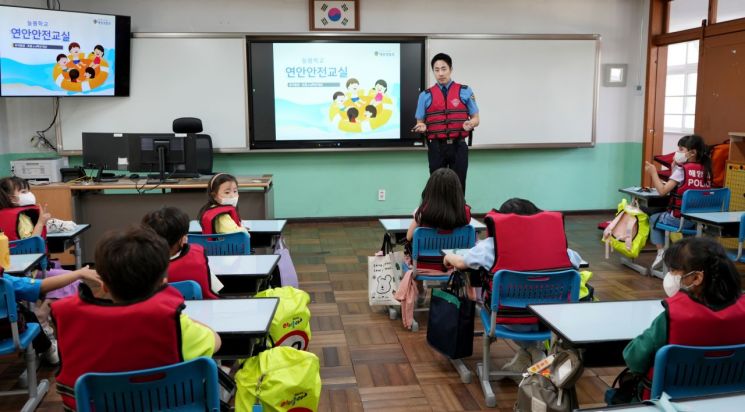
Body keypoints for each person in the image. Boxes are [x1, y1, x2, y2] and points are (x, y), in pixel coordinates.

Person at [51, 227, 222, 410]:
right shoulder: (171, 322)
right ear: (163, 282)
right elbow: (216, 341)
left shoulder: (68, 320)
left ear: (105, 286)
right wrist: (178, 315)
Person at [442, 198, 583, 378]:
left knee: (484, 302)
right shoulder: (558, 248)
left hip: (508, 318)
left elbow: (461, 262)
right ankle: (533, 354)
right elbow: (576, 263)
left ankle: (533, 354)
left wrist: (448, 259)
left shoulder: (491, 247)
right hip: (550, 319)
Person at [622, 237, 745, 401]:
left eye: (674, 270)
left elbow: (634, 359)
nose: (670, 275)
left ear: (697, 278)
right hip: (733, 399)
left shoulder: (673, 316)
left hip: (669, 401)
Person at [413, 53, 479, 194]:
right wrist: (422, 126)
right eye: (436, 70)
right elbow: (420, 122)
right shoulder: (424, 95)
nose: (440, 73)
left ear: (451, 69)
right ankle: (437, 215)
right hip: (437, 146)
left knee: (459, 185)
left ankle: (458, 215)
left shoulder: (465, 91)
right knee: (436, 187)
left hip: (458, 145)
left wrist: (471, 123)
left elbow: (476, 118)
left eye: (444, 69)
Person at [644, 135, 712, 270]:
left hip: (679, 219)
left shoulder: (682, 170)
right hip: (697, 219)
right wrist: (674, 168)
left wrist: (653, 173)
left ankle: (661, 252)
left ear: (692, 152)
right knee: (687, 234)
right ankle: (689, 260)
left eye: (681, 149)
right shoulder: (706, 171)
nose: (677, 152)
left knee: (653, 218)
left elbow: (662, 191)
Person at [142, 206, 222, 299]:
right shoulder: (197, 257)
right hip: (199, 311)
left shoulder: (139, 264)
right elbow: (217, 290)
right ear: (183, 239)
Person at [406, 168, 471, 244]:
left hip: (426, 255)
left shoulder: (424, 211)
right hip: (454, 254)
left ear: (430, 189)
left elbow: (409, 237)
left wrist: (416, 216)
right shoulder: (464, 211)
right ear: (457, 190)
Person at [0, 176, 50, 241]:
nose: (29, 194)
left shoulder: (4, 213)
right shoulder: (21, 219)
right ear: (12, 198)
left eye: (28, 191)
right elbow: (30, 243)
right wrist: (41, 223)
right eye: (23, 192)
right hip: (25, 250)